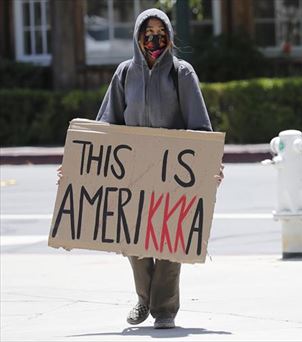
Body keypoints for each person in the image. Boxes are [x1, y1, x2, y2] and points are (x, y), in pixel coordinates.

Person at [59, 8, 223, 329]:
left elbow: (200, 128)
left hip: (174, 174)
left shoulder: (182, 73)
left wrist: (208, 166)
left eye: (160, 33)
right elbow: (106, 124)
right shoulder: (123, 74)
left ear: (170, 37)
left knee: (170, 242)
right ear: (137, 37)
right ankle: (144, 298)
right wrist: (78, 168)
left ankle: (163, 309)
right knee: (135, 241)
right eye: (147, 33)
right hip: (133, 173)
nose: (153, 39)